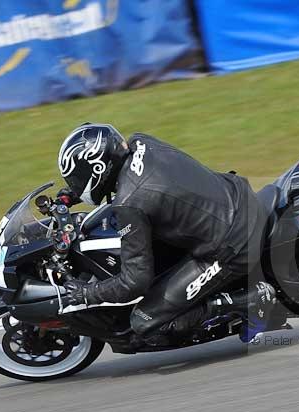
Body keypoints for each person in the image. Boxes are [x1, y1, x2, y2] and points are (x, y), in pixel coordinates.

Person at [56, 123, 277, 343]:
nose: (76, 185)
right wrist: (76, 195)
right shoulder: (141, 142)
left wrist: (88, 294)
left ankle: (249, 300)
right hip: (238, 197)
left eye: (77, 179)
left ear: (98, 168)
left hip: (234, 244)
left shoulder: (129, 204)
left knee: (145, 322)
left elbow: (134, 282)